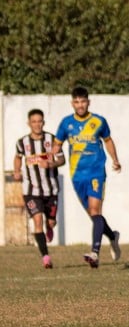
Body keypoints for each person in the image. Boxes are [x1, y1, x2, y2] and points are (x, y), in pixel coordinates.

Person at [53, 86, 122, 269]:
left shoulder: (98, 121)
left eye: (83, 101)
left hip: (96, 172)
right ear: (72, 103)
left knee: (95, 209)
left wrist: (115, 159)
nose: (80, 105)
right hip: (77, 176)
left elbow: (108, 140)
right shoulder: (66, 123)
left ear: (88, 102)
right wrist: (52, 156)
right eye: (76, 102)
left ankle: (94, 253)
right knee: (94, 215)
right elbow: (56, 146)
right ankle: (113, 237)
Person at [13, 108, 65, 269]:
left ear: (43, 122)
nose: (37, 124)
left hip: (51, 190)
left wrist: (51, 163)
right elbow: (17, 157)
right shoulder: (22, 142)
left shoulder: (52, 140)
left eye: (39, 121)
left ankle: (49, 227)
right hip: (31, 190)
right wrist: (16, 171)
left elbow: (62, 159)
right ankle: (46, 257)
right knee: (37, 220)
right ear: (29, 123)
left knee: (50, 222)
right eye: (33, 121)